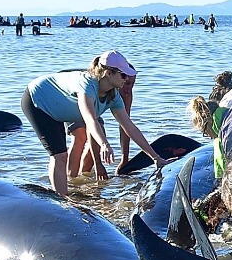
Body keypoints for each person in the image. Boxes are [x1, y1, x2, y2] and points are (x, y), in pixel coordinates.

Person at [21, 51, 164, 196]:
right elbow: (90, 119)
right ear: (108, 73)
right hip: (39, 100)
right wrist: (104, 144)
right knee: (60, 155)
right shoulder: (87, 84)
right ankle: (62, 201)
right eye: (123, 75)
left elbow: (130, 127)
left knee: (63, 153)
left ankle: (70, 192)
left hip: (61, 107)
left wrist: (156, 158)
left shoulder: (114, 96)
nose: (126, 79)